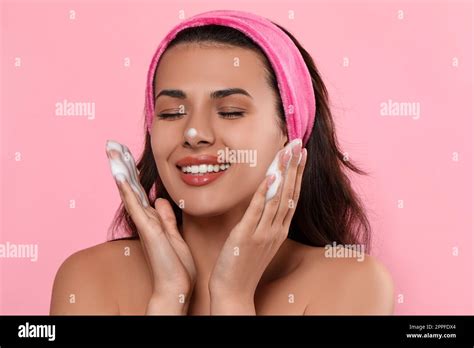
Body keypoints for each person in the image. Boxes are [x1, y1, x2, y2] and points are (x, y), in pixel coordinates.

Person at [50, 10, 393, 315]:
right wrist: (169, 298)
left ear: (290, 133)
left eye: (230, 111)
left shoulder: (352, 283)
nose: (195, 133)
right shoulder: (89, 278)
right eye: (171, 113)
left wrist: (232, 298)